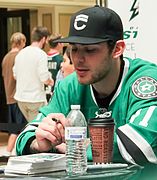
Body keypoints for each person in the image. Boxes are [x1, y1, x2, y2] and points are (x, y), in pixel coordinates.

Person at [16, 5, 157, 166]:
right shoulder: (68, 86)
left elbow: (143, 144)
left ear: (117, 49)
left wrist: (74, 147)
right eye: (74, 49)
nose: (78, 59)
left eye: (90, 50)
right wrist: (38, 142)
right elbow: (26, 136)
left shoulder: (146, 79)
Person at [13, 26, 54, 122]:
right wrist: (50, 81)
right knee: (36, 129)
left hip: (20, 98)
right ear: (43, 39)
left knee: (31, 126)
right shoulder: (41, 54)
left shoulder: (21, 53)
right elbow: (44, 77)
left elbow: (15, 75)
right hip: (35, 99)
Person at [1, 32, 27, 156]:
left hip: (9, 96)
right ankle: (8, 153)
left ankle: (8, 153)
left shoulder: (6, 57)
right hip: (18, 97)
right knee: (18, 129)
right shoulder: (19, 56)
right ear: (21, 42)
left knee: (14, 128)